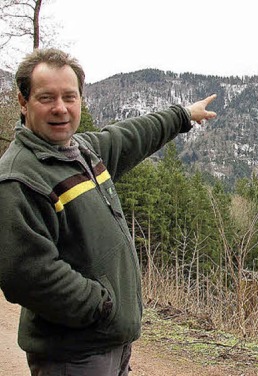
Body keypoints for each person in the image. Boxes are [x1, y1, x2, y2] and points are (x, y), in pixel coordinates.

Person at [0, 48, 217, 375]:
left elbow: (133, 135)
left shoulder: (80, 153)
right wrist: (100, 306)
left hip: (110, 343)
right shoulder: (20, 178)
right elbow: (27, 274)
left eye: (69, 97)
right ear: (23, 101)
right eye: (47, 98)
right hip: (74, 355)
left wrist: (183, 115)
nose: (61, 108)